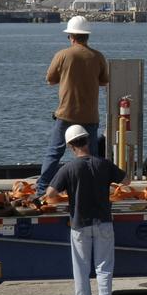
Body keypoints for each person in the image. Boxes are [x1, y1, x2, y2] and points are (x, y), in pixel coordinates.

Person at [42, 124, 128, 295]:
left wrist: (67, 191)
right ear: (87, 141)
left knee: (81, 268)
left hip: (79, 223)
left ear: (70, 146)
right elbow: (127, 181)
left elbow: (50, 194)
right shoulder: (103, 164)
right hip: (104, 222)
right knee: (104, 267)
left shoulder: (69, 168)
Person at [38, 16, 109, 195]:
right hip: (90, 116)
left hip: (66, 114)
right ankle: (94, 191)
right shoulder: (98, 56)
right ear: (87, 36)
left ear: (71, 36)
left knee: (54, 152)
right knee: (91, 156)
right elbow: (104, 81)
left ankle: (41, 190)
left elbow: (50, 80)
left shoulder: (62, 55)